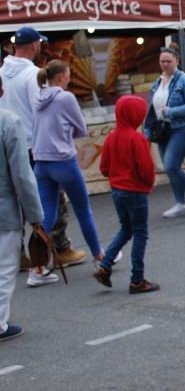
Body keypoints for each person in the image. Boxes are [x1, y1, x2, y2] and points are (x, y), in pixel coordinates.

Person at [0, 27, 86, 268]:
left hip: (7, 141)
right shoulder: (33, 75)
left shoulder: (3, 72)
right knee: (50, 199)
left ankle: (19, 252)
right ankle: (58, 247)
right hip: (32, 143)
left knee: (15, 200)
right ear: (35, 45)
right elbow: (42, 109)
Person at [30, 60, 103, 286]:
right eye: (69, 75)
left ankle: (37, 267)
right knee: (83, 210)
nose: (70, 78)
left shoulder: (38, 95)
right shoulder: (65, 97)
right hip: (63, 160)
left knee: (47, 215)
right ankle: (100, 257)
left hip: (41, 160)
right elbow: (81, 128)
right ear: (61, 76)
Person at [93, 96, 159, 294]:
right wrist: (147, 183)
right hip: (135, 191)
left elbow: (104, 167)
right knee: (140, 233)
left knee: (126, 229)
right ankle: (137, 279)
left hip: (117, 191)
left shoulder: (112, 136)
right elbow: (146, 169)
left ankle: (105, 265)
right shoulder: (137, 138)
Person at [0, 94, 43, 342]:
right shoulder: (9, 122)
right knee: (5, 268)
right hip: (4, 209)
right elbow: (22, 175)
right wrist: (35, 215)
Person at [145, 47, 185, 218]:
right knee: (169, 168)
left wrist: (170, 111)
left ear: (177, 61)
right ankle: (180, 202)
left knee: (171, 166)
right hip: (162, 128)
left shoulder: (184, 81)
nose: (165, 64)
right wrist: (149, 129)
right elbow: (151, 107)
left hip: (181, 127)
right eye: (162, 61)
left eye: (168, 61)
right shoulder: (158, 81)